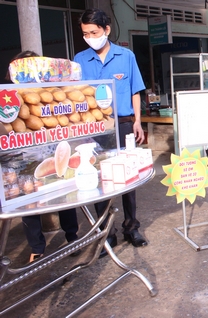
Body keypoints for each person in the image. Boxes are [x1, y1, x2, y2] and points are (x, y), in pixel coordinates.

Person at [74, 9, 147, 256]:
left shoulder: (126, 56)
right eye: (85, 33)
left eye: (94, 32)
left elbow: (136, 91)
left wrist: (137, 121)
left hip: (124, 123)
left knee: (127, 178)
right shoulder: (80, 60)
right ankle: (106, 232)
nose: (90, 37)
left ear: (107, 30)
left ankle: (131, 227)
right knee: (98, 180)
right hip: (94, 128)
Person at [5, 50, 80, 263]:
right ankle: (37, 247)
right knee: (29, 202)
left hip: (51, 150)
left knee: (65, 195)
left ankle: (72, 237)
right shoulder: (11, 97)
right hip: (25, 158)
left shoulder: (51, 93)